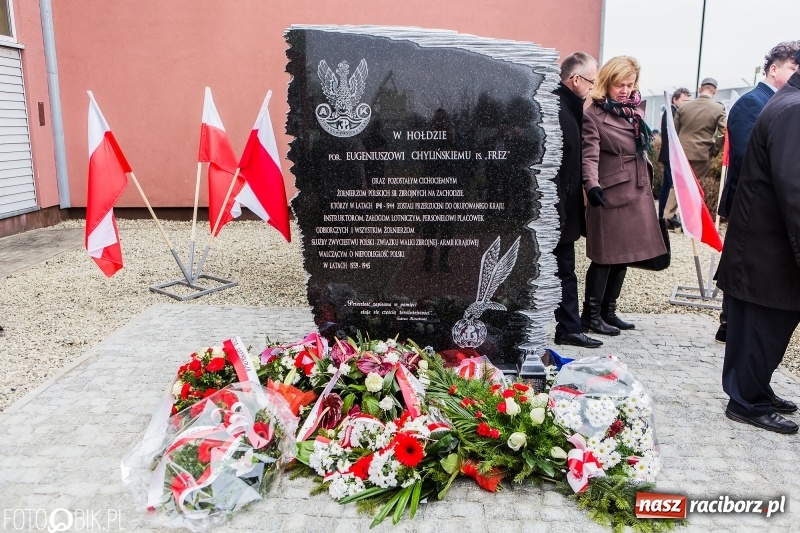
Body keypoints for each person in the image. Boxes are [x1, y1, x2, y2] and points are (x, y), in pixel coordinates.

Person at [716, 49, 800, 434]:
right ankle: (746, 401)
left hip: (766, 245)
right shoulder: (793, 109)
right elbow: (793, 186)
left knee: (768, 326)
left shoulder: (788, 103)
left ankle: (757, 389)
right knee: (759, 325)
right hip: (768, 247)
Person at [580, 56, 667, 336]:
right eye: (620, 85)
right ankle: (591, 316)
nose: (626, 90)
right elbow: (589, 155)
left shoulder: (633, 109)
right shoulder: (593, 113)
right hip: (609, 193)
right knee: (605, 256)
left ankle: (609, 311)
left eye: (630, 85)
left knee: (624, 254)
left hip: (637, 189)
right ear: (607, 82)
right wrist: (591, 186)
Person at [551, 52, 602, 348]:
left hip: (564, 206)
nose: (593, 89)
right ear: (575, 80)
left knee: (566, 268)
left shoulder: (570, 108)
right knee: (563, 269)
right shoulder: (559, 110)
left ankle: (569, 326)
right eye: (591, 82)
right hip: (556, 208)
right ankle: (568, 327)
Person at [674, 78, 727, 214]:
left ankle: (668, 215)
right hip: (702, 153)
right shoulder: (718, 108)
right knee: (697, 186)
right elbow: (723, 132)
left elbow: (674, 131)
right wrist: (714, 149)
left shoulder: (684, 106)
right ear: (714, 91)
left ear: (699, 89)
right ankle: (692, 217)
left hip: (682, 152)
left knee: (678, 185)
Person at [657, 88, 691, 229]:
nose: (686, 103)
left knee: (667, 186)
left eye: (688, 101)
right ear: (675, 99)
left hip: (669, 155)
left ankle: (662, 215)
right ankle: (666, 217)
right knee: (673, 186)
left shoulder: (674, 112)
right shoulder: (671, 112)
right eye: (684, 100)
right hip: (670, 155)